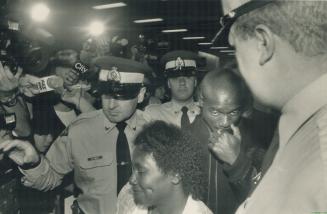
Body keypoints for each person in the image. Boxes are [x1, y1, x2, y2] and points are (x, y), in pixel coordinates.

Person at [0, 56, 152, 214]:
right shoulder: (79, 130)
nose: (112, 105)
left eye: (121, 97)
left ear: (140, 94)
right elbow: (49, 177)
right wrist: (32, 163)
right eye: (106, 95)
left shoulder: (157, 131)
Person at [214, 0, 327, 213]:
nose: (237, 62)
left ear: (262, 43)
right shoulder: (302, 129)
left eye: (235, 48)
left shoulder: (321, 158)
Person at [190, 70, 268, 214]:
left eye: (233, 112)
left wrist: (237, 161)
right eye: (215, 112)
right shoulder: (184, 138)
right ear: (201, 100)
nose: (225, 122)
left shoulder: (257, 139)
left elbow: (264, 200)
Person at [116, 121, 212, 214]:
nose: (131, 180)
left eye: (141, 171)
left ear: (175, 174)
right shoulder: (127, 197)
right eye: (133, 169)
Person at [144, 50, 200, 129]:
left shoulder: (207, 113)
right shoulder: (153, 115)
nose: (182, 82)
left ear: (195, 82)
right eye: (175, 77)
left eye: (187, 76)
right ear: (168, 83)